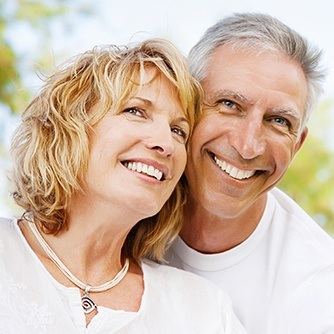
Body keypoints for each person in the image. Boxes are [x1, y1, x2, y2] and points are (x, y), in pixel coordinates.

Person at [0, 39, 246, 333]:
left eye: (178, 131)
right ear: (69, 126)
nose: (165, 144)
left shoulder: (203, 309)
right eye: (136, 111)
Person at [166, 12, 334, 334]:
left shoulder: (320, 291)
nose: (247, 146)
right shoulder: (123, 209)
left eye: (278, 121)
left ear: (297, 145)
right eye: (229, 104)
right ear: (185, 105)